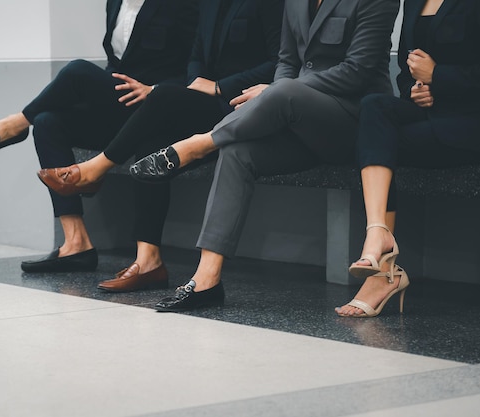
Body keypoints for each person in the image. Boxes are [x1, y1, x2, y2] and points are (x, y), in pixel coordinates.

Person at [129, 0, 401, 311]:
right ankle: (206, 279)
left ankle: (198, 144)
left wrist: (275, 92)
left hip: (352, 122)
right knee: (236, 152)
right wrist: (276, 92)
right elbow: (286, 60)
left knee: (283, 91)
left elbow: (358, 71)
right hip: (295, 117)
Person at [38, 0, 284, 292]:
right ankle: (148, 260)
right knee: (150, 139)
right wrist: (196, 83)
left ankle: (96, 168)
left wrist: (219, 86)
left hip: (239, 106)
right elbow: (195, 55)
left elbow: (278, 64)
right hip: (201, 100)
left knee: (161, 94)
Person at [0, 0, 198, 273]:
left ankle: (16, 124)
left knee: (77, 71)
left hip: (158, 106)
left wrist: (155, 89)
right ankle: (76, 244)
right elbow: (116, 62)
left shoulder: (181, 4)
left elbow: (198, 64)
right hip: (120, 104)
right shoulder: (115, 3)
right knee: (48, 122)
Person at [336, 0, 480, 317]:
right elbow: (409, 70)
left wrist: (440, 76)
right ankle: (377, 232)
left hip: (479, 122)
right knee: (374, 107)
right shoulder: (413, 1)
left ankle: (383, 273)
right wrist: (417, 88)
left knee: (379, 146)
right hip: (433, 112)